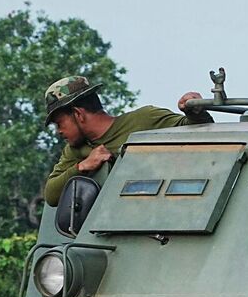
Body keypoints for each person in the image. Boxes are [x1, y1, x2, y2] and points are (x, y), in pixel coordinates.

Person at [40, 76, 213, 205]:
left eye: (60, 123)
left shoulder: (145, 119)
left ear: (78, 114)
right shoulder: (75, 151)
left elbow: (201, 133)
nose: (59, 132)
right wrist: (83, 166)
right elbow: (52, 196)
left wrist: (194, 111)